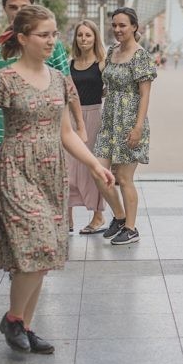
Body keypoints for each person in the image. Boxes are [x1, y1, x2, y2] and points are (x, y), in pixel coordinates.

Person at [0, 5, 115, 354]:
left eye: (54, 34)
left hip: (52, 172)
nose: (52, 41)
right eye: (44, 35)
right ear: (22, 38)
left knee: (44, 254)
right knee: (39, 242)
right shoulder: (5, 80)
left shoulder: (59, 79)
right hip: (16, 170)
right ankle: (14, 319)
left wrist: (93, 165)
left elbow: (66, 132)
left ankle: (25, 327)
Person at [0, 0, 85, 171]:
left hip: (46, 132)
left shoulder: (51, 45)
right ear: (4, 8)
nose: (18, 12)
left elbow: (67, 85)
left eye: (24, 7)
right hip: (3, 136)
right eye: (12, 7)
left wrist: (80, 125)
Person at [94, 7, 158, 245]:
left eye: (123, 25)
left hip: (130, 121)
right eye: (115, 25)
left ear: (134, 27)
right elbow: (108, 84)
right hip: (109, 120)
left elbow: (145, 95)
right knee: (98, 171)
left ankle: (130, 228)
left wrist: (138, 127)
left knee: (123, 176)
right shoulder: (112, 51)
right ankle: (120, 217)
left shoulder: (140, 55)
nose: (118, 30)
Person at [67, 20, 109, 234]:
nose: (83, 39)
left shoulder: (101, 63)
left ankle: (98, 216)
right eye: (80, 35)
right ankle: (68, 218)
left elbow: (110, 88)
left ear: (95, 38)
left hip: (93, 116)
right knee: (68, 166)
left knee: (92, 166)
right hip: (71, 118)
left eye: (88, 35)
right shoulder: (69, 62)